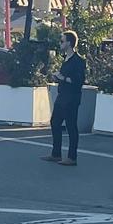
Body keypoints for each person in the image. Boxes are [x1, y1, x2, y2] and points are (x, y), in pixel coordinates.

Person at [42, 30, 86, 167]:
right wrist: (57, 77)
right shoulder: (65, 60)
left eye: (62, 41)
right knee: (55, 122)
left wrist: (64, 78)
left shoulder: (78, 61)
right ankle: (56, 153)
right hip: (62, 96)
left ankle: (72, 157)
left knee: (71, 126)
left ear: (69, 43)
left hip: (72, 97)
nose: (60, 43)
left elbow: (79, 81)